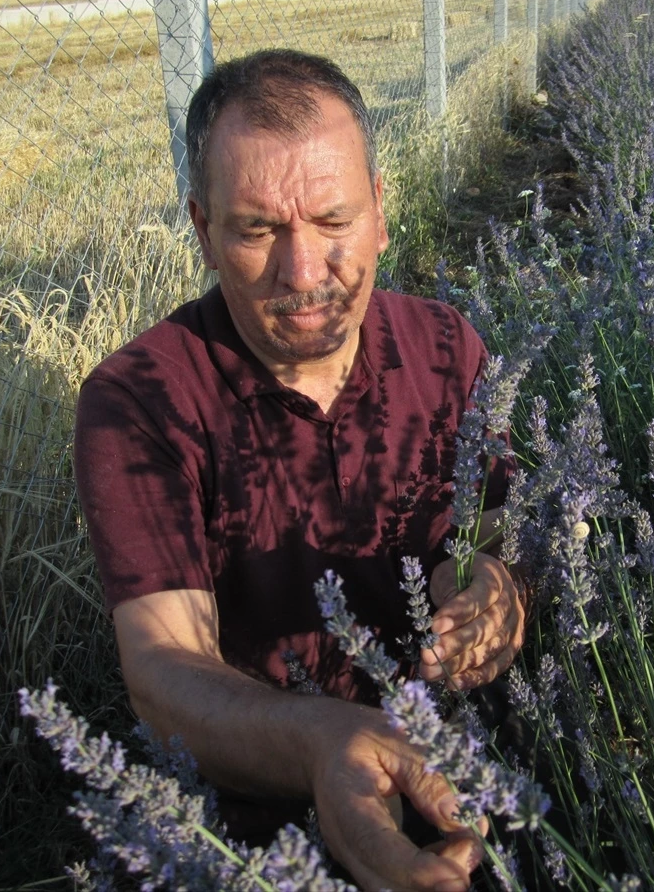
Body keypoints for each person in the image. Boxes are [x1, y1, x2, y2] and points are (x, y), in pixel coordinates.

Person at [73, 49, 526, 891]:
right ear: (204, 231)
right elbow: (165, 673)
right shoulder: (141, 400)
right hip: (258, 831)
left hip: (477, 771)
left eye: (332, 220)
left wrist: (504, 586)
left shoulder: (446, 346)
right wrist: (324, 744)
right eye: (257, 230)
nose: (305, 273)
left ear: (381, 213)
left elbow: (504, 526)